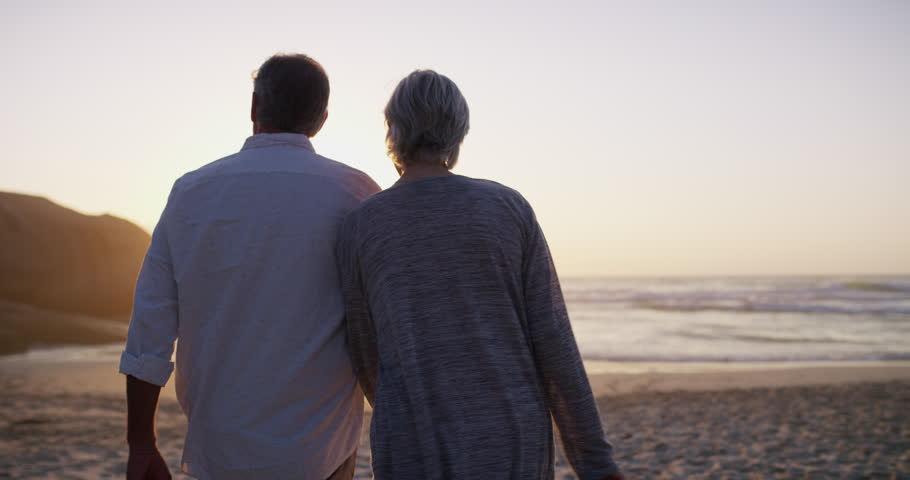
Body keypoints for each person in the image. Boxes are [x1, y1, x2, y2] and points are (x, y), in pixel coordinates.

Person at [336, 70, 625, 480]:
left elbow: (365, 353)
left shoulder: (362, 225)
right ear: (459, 130)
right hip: (509, 435)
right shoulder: (507, 209)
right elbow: (554, 341)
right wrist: (596, 463)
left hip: (412, 438)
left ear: (393, 129)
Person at [120, 53, 379, 480]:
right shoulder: (357, 192)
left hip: (219, 452)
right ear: (322, 118)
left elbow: (150, 328)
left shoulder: (191, 192)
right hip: (322, 451)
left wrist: (141, 442)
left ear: (255, 108)